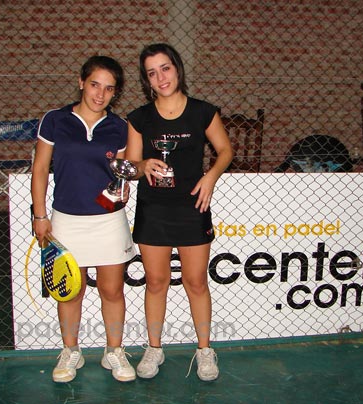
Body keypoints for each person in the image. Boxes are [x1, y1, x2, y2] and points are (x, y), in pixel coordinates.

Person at [125, 43, 233, 381]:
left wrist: (210, 177)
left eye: (165, 68)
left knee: (196, 281)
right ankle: (154, 348)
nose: (161, 77)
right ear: (146, 80)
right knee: (156, 282)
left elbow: (225, 150)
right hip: (153, 208)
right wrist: (143, 164)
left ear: (177, 69)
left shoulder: (203, 112)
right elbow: (131, 165)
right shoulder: (139, 118)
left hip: (192, 206)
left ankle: (204, 350)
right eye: (152, 73)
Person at [31, 55, 137, 383]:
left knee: (112, 290)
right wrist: (39, 215)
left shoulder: (119, 127)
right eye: (94, 84)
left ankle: (114, 351)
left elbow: (122, 174)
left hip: (108, 220)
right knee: (70, 292)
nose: (100, 94)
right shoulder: (54, 120)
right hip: (66, 220)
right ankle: (70, 351)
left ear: (115, 93)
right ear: (81, 82)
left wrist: (122, 189)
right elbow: (40, 169)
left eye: (109, 88)